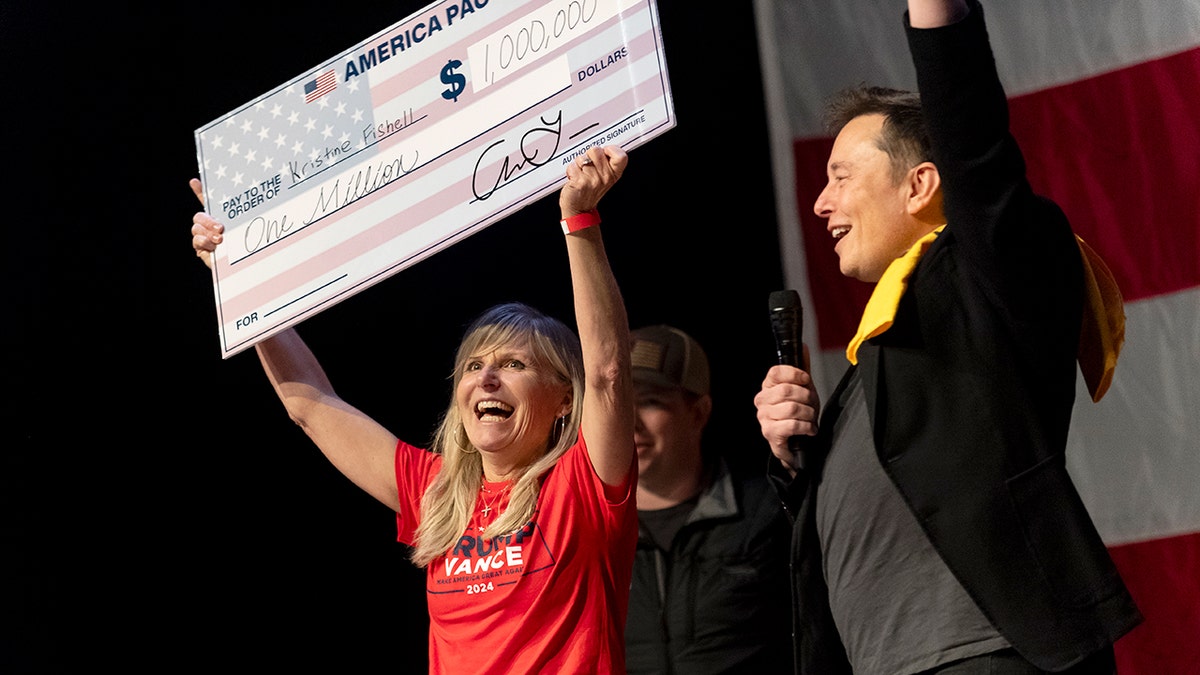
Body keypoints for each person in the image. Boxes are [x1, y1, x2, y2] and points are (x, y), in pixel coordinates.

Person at [752, 1, 1143, 673]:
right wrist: (795, 466)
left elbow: (974, 139)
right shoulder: (874, 363)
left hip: (989, 657)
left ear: (921, 185)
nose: (821, 202)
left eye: (841, 176)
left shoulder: (991, 276)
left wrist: (936, 16)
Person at [189, 145, 639, 674]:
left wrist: (579, 219)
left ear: (565, 398)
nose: (486, 378)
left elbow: (608, 374)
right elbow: (308, 403)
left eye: (515, 364)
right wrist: (240, 280)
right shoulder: (436, 490)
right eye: (473, 366)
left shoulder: (583, 487)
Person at [624, 325, 792, 674]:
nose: (630, 424)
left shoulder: (768, 512)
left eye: (650, 402)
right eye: (617, 407)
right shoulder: (588, 533)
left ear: (699, 412)